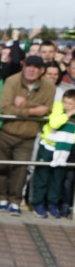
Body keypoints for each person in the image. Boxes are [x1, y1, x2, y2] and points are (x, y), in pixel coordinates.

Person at [0, 55, 55, 215]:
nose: (31, 69)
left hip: (27, 135)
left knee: (20, 170)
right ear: (23, 66)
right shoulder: (12, 81)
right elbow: (6, 108)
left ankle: (15, 201)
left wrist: (25, 105)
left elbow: (46, 109)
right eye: (29, 65)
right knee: (1, 167)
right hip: (6, 132)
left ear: (42, 70)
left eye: (36, 67)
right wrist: (34, 110)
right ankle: (1, 197)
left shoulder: (49, 86)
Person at [30, 89, 75, 219]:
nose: (67, 105)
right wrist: (68, 113)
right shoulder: (57, 108)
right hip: (49, 147)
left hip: (65, 150)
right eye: (65, 102)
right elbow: (54, 123)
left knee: (57, 179)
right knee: (42, 176)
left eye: (71, 104)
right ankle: (38, 203)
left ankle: (53, 204)